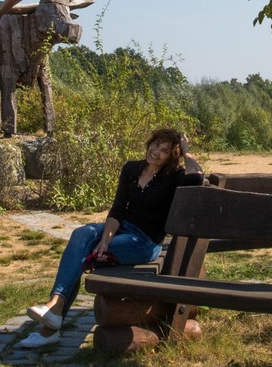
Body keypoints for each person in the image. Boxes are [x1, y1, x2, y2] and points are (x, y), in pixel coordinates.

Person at [17, 127, 203, 349]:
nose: (156, 152)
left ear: (172, 157)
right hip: (121, 229)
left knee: (81, 253)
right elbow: (117, 210)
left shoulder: (173, 177)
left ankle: (51, 325)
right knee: (82, 234)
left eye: (164, 150)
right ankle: (55, 306)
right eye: (155, 144)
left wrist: (185, 149)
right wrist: (105, 239)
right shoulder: (132, 168)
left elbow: (197, 177)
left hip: (143, 243)